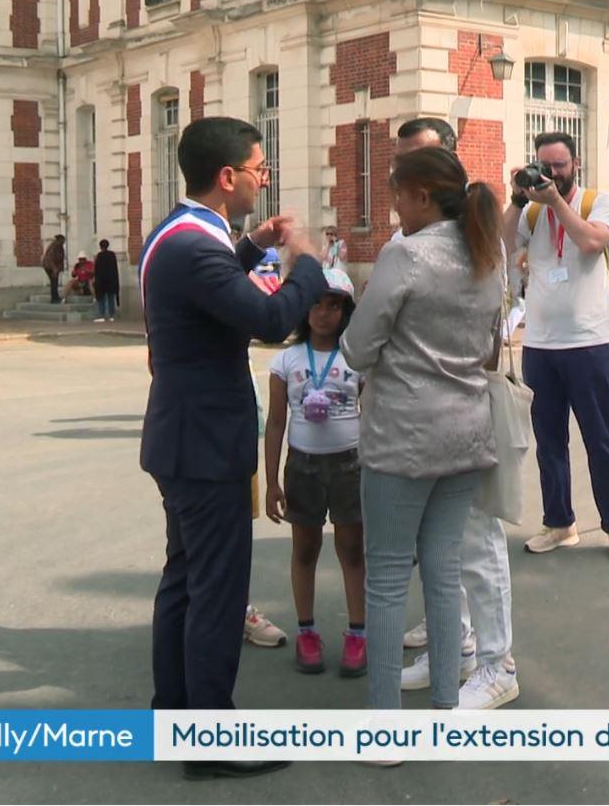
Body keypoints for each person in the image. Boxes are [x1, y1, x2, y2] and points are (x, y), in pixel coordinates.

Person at [140, 116, 325, 781]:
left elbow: (211, 284)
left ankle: (176, 718)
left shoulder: (178, 232)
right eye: (257, 169)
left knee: (185, 582)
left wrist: (252, 245)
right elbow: (273, 320)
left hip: (181, 436)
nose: (263, 178)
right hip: (207, 443)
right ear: (227, 178)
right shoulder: (196, 248)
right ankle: (211, 736)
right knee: (215, 593)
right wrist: (307, 262)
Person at [341, 146, 504, 713]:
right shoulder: (487, 252)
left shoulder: (405, 256)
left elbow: (358, 348)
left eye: (397, 199)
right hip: (467, 432)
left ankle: (386, 723)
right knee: (441, 569)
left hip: (403, 436)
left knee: (386, 579)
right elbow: (490, 345)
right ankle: (443, 705)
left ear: (422, 196)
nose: (394, 212)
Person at [391, 115, 519, 711]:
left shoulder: (475, 244)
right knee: (438, 542)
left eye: (412, 169)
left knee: (475, 537)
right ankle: (459, 646)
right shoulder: (408, 242)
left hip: (461, 411)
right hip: (418, 418)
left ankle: (498, 662)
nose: (400, 185)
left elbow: (486, 342)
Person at [503, 131, 609, 561]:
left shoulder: (597, 201)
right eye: (544, 165)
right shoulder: (531, 213)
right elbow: (502, 246)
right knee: (549, 441)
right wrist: (517, 200)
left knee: (601, 439)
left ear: (574, 164)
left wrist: (555, 201)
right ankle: (559, 523)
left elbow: (591, 241)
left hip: (588, 342)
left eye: (559, 166)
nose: (551, 174)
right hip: (541, 345)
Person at [264, 269, 366, 678]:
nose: (324, 314)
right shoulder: (285, 361)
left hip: (350, 466)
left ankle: (358, 634)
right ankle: (306, 631)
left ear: (345, 311)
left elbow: (373, 414)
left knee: (352, 550)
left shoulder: (357, 356)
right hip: (302, 466)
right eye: (315, 304)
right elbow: (275, 423)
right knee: (305, 549)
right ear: (301, 310)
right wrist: (271, 481)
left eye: (334, 306)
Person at [386, 117, 460, 248]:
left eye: (418, 161)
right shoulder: (398, 242)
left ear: (451, 161)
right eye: (400, 163)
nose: (403, 174)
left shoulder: (481, 237)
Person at [93, 239, 120, 322]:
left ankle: (102, 315)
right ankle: (111, 315)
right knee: (111, 298)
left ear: (100, 246)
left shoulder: (99, 256)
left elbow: (97, 270)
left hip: (101, 281)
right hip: (111, 280)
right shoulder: (112, 255)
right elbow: (115, 269)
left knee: (101, 298)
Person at [42, 234, 67, 303]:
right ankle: (54, 298)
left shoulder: (59, 247)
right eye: (63, 240)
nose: (64, 242)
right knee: (54, 282)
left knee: (55, 282)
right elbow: (50, 258)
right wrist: (54, 269)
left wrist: (60, 269)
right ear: (59, 240)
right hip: (50, 267)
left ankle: (56, 297)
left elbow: (60, 259)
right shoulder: (54, 247)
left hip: (55, 267)